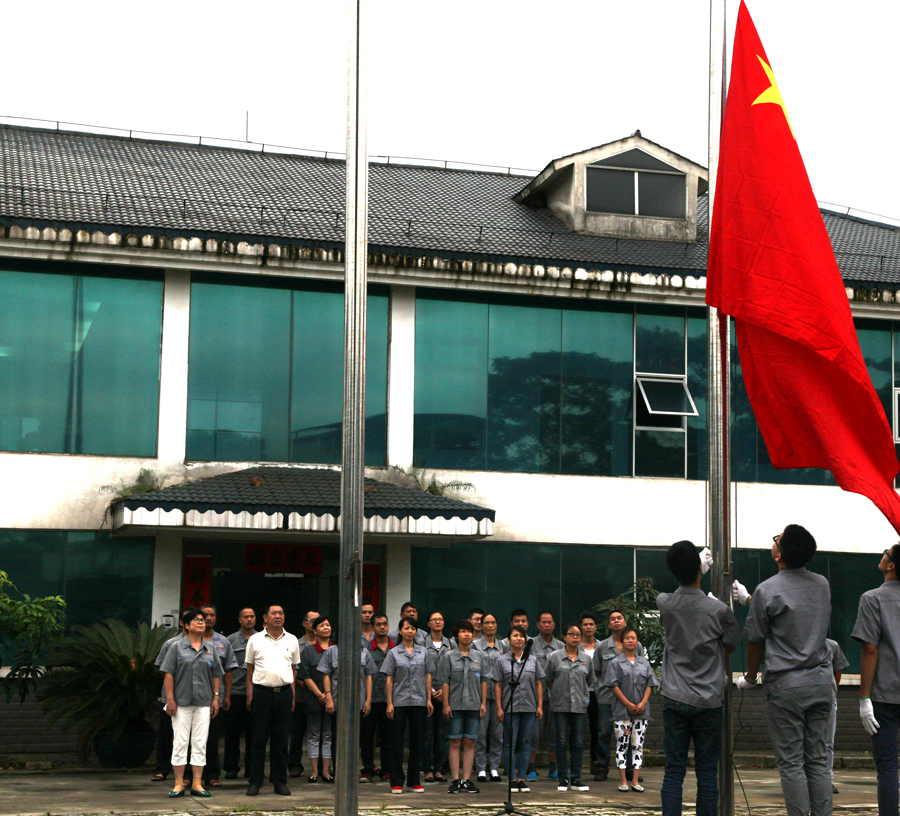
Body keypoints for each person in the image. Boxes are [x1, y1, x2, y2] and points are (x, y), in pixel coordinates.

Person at [737, 524, 833, 816]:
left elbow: (755, 641)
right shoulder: (822, 584)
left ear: (779, 555)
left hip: (786, 685)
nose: (774, 540)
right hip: (820, 681)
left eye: (776, 538)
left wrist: (751, 677)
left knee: (791, 763)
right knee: (818, 761)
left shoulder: (766, 590)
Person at [657, 540, 742, 816]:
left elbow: (674, 598)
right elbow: (730, 644)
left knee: (674, 771)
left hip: (674, 695)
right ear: (699, 569)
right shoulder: (718, 610)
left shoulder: (665, 603)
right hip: (707, 699)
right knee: (707, 772)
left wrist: (695, 572)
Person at [852, 542, 900, 816]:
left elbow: (870, 649)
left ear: (891, 565)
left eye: (886, 553)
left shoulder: (872, 599)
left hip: (884, 694)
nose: (883, 556)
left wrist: (864, 698)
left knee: (888, 767)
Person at [160, 608, 223, 799]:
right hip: (181, 702)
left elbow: (216, 675)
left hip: (204, 702)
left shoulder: (211, 648)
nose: (201, 622)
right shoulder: (176, 647)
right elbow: (168, 673)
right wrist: (170, 699)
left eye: (202, 620)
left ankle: (197, 783)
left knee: (199, 742)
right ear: (186, 625)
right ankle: (179, 783)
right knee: (180, 741)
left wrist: (216, 698)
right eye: (196, 620)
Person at [244, 604, 301, 797]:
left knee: (281, 740)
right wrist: (250, 695)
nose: (278, 616)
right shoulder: (255, 639)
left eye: (281, 613)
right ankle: (255, 781)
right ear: (265, 618)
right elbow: (250, 669)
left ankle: (279, 781)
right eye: (274, 613)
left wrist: (292, 696)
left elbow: (293, 670)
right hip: (261, 693)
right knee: (258, 739)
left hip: (284, 693)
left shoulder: (292, 639)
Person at [382, 615, 434, 794]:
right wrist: (389, 703)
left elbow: (428, 675)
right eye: (406, 628)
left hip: (419, 701)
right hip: (399, 701)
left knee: (417, 741)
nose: (410, 631)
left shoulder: (423, 652)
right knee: (396, 741)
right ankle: (396, 780)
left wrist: (428, 699)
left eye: (412, 628)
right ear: (401, 631)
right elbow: (389, 679)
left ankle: (414, 781)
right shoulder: (393, 652)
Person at [593, 609, 645, 781]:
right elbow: (598, 671)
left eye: (619, 618)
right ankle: (601, 768)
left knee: (629, 733)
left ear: (624, 621)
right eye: (612, 619)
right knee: (603, 732)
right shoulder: (601, 646)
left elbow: (641, 667)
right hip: (607, 697)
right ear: (609, 625)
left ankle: (630, 769)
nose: (616, 621)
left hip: (630, 699)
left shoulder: (636, 645)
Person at [605, 626, 657, 792]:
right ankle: (622, 780)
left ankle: (635, 780)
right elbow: (613, 685)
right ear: (622, 641)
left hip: (641, 713)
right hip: (622, 712)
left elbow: (650, 684)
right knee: (622, 745)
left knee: (638, 746)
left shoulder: (644, 662)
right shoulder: (615, 662)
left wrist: (642, 703)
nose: (630, 641)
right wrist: (627, 704)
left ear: (637, 642)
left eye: (633, 638)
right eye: (627, 638)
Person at [493, 624, 544, 793]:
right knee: (509, 743)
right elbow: (498, 685)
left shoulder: (533, 660)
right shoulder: (502, 660)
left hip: (529, 706)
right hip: (510, 707)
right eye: (515, 635)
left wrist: (540, 705)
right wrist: (499, 708)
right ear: (509, 640)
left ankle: (522, 777)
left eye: (521, 636)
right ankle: (512, 779)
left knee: (526, 743)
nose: (519, 639)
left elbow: (538, 683)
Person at [317, 637, 377, 781]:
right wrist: (329, 697)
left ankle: (358, 772)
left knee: (359, 738)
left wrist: (368, 700)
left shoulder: (364, 652)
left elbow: (368, 676)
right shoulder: (331, 651)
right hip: (338, 702)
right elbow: (326, 675)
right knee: (338, 738)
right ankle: (339, 772)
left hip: (359, 702)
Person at [544, 622, 594, 792]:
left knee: (578, 743)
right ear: (564, 637)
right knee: (561, 742)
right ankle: (563, 777)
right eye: (571, 634)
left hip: (579, 706)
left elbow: (589, 681)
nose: (575, 637)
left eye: (578, 634)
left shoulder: (586, 658)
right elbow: (549, 679)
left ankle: (577, 778)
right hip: (560, 706)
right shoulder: (554, 657)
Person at [439, 620, 484, 794]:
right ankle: (455, 780)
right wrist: (445, 704)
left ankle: (467, 780)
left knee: (470, 741)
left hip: (474, 704)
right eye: (463, 631)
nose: (466, 634)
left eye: (469, 631)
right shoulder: (448, 656)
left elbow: (484, 680)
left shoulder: (479, 656)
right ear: (457, 635)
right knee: (455, 741)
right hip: (455, 705)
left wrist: (482, 703)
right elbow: (445, 682)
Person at [199, 604, 238, 788]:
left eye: (212, 615)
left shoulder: (223, 642)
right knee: (192, 738)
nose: (208, 618)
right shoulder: (189, 640)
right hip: (193, 697)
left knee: (212, 738)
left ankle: (212, 774)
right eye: (204, 615)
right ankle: (190, 775)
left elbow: (229, 671)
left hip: (216, 698)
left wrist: (227, 696)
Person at [151, 608, 191, 782]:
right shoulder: (171, 644)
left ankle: (188, 774)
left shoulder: (205, 646)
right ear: (182, 622)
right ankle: (162, 769)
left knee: (190, 739)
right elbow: (163, 669)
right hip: (171, 697)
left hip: (193, 700)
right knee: (167, 735)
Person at [299, 615, 335, 783]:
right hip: (314, 699)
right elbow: (305, 675)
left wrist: (330, 697)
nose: (325, 628)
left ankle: (326, 771)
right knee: (314, 735)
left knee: (328, 735)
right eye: (321, 626)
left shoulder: (337, 649)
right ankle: (314, 772)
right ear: (315, 630)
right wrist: (321, 695)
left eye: (328, 625)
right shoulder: (308, 651)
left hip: (335, 700)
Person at [360, 612, 394, 782]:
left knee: (388, 736)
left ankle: (387, 769)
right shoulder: (365, 650)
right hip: (370, 700)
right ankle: (367, 768)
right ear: (372, 628)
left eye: (385, 624)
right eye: (379, 624)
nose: (382, 627)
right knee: (367, 736)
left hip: (391, 701)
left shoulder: (396, 648)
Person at [473, 612, 506, 783]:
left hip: (499, 697)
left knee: (497, 734)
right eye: (487, 622)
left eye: (493, 622)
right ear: (481, 625)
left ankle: (494, 768)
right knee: (480, 733)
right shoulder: (475, 645)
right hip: (481, 696)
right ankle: (480, 769)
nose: (490, 625)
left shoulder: (503, 646)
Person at [224, 607, 257, 780]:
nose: (249, 619)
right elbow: (226, 667)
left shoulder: (262, 639)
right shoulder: (230, 640)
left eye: (252, 617)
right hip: (236, 692)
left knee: (255, 734)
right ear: (239, 620)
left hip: (257, 692)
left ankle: (251, 768)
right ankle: (231, 767)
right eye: (246, 617)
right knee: (232, 734)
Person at [288, 609, 320, 778]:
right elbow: (293, 670)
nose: (314, 623)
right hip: (301, 694)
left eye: (317, 620)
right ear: (304, 623)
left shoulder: (327, 646)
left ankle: (322, 765)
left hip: (321, 695)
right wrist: (307, 685)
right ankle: (294, 765)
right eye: (311, 620)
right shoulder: (295, 643)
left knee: (320, 732)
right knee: (297, 732)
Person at [423, 609, 451, 783]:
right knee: (427, 734)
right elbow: (422, 669)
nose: (438, 622)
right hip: (427, 694)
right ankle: (427, 769)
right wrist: (432, 691)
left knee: (442, 734)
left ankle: (439, 768)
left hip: (446, 695)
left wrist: (444, 692)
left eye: (440, 619)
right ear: (428, 624)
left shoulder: (451, 644)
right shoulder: (422, 644)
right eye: (434, 619)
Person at [579, 611, 602, 778]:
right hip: (579, 693)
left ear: (596, 627)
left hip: (598, 693)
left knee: (597, 729)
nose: (588, 627)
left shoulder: (602, 646)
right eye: (585, 624)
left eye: (591, 624)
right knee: (577, 730)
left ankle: (596, 762)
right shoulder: (574, 646)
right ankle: (575, 764)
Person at [824, 637, 848, 795]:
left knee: (827, 742)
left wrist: (832, 693)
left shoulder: (832, 645)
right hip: (801, 699)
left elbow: (837, 672)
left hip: (827, 699)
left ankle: (827, 780)